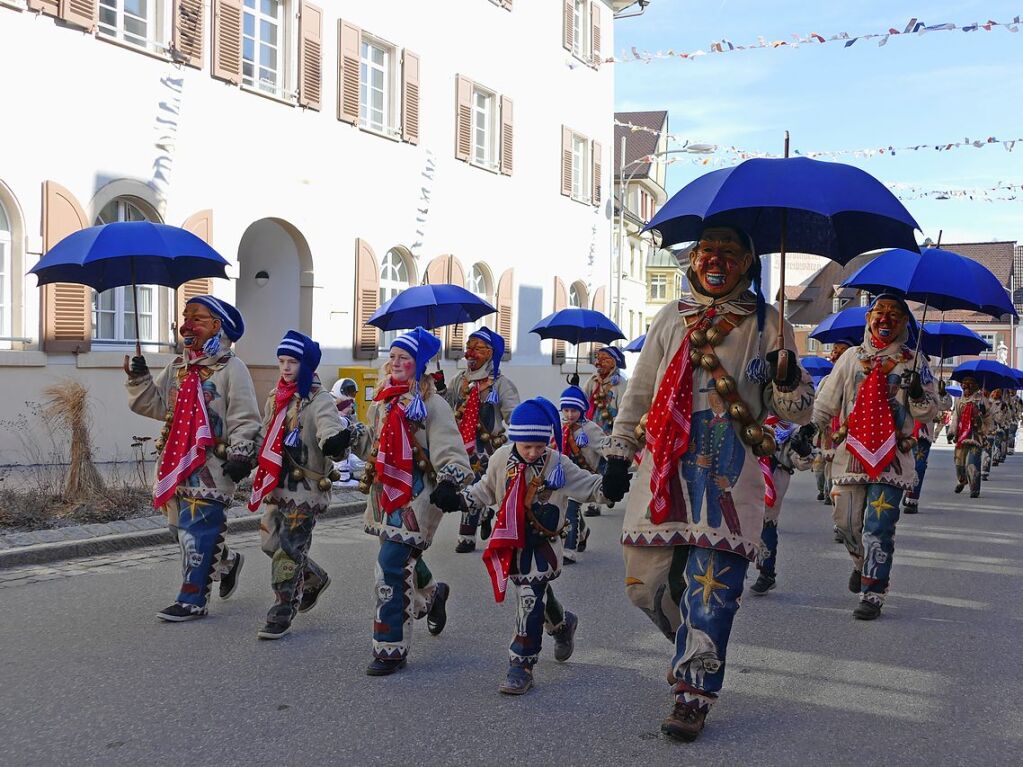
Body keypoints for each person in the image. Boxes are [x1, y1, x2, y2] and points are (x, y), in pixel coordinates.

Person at [600, 225, 814, 742]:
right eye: (705, 252)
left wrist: (786, 379)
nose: (714, 261)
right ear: (693, 260)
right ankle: (690, 647)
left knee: (711, 590)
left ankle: (693, 690)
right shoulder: (670, 317)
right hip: (665, 467)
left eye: (728, 254)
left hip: (731, 467)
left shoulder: (769, 322)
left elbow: (800, 407)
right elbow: (642, 388)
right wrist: (620, 448)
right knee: (643, 585)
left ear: (747, 264)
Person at [126, 295, 259, 622]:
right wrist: (139, 379)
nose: (187, 325)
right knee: (180, 529)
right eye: (186, 317)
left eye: (197, 318)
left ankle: (192, 600)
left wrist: (242, 453)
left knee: (196, 531)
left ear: (217, 326)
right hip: (176, 464)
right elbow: (156, 407)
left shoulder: (232, 369)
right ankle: (225, 563)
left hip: (212, 466)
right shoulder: (178, 368)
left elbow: (245, 417)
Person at [461, 397, 607, 695]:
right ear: (515, 440)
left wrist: (611, 485)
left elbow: (588, 486)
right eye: (527, 446)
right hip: (511, 540)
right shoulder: (501, 457)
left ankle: (521, 665)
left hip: (542, 544)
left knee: (529, 595)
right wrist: (460, 499)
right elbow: (486, 489)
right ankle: (563, 624)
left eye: (539, 447)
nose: (533, 452)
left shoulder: (557, 462)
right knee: (536, 591)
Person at [350, 327, 473, 675]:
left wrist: (450, 479)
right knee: (399, 557)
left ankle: (389, 648)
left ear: (419, 365)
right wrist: (349, 435)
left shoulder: (433, 405)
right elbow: (371, 448)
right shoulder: (383, 402)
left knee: (389, 566)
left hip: (417, 498)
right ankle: (433, 594)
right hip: (383, 496)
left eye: (404, 358)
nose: (396, 363)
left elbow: (451, 449)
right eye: (392, 357)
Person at [813, 294, 938, 621]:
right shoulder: (852, 357)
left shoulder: (914, 361)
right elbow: (826, 402)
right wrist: (808, 430)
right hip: (851, 455)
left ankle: (874, 590)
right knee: (847, 523)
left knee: (879, 525)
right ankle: (860, 562)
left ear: (904, 324)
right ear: (869, 318)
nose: (886, 319)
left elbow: (930, 411)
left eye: (895, 315)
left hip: (894, 457)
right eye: (880, 313)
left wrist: (916, 393)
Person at [248, 331, 351, 639]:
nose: (286, 368)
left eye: (292, 361)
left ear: (305, 364)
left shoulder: (318, 399)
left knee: (289, 551)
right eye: (281, 361)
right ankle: (314, 577)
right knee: (270, 544)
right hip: (276, 485)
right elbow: (265, 434)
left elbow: (329, 428)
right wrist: (246, 454)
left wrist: (334, 442)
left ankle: (281, 611)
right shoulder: (276, 396)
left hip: (305, 488)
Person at [438, 328, 520, 553]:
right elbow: (447, 407)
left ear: (490, 353)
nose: (470, 353)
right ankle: (484, 513)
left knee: (474, 484)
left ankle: (466, 536)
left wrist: (521, 432)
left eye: (477, 348)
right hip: (459, 442)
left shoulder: (500, 384)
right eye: (468, 347)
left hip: (486, 447)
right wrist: (440, 388)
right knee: (464, 483)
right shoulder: (460, 380)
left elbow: (513, 413)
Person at [749, 419, 815, 595]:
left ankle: (766, 573)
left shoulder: (791, 428)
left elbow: (802, 462)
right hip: (749, 474)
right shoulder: (752, 417)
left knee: (767, 521)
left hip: (776, 476)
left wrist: (803, 450)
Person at [558, 385, 606, 564]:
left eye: (574, 410)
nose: (570, 415)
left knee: (571, 509)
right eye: (566, 410)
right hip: (565, 475)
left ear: (582, 409)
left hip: (584, 476)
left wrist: (612, 467)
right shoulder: (561, 425)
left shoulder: (590, 429)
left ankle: (568, 550)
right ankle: (583, 532)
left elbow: (604, 448)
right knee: (568, 508)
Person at [581, 346, 627, 517]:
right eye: (598, 358)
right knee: (592, 464)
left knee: (608, 465)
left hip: (611, 428)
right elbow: (582, 400)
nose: (599, 362)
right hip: (593, 428)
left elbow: (625, 406)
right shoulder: (592, 381)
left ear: (613, 362)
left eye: (604, 359)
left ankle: (609, 492)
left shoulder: (620, 383)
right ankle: (595, 503)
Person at [902, 377, 953, 514]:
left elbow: (946, 405)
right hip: (902, 429)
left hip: (923, 431)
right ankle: (905, 488)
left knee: (919, 464)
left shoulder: (933, 383)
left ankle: (912, 497)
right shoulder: (901, 373)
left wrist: (942, 393)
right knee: (901, 464)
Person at [948, 376, 988, 497]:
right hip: (962, 436)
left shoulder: (981, 400)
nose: (966, 387)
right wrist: (951, 432)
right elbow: (956, 417)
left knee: (973, 462)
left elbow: (989, 418)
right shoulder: (960, 400)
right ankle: (962, 480)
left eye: (969, 385)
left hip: (976, 436)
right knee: (959, 463)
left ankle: (974, 489)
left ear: (974, 386)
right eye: (964, 385)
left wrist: (982, 413)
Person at [329, 378, 362, 486]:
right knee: (343, 445)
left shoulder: (343, 409)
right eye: (349, 391)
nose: (351, 407)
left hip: (334, 454)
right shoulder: (335, 412)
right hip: (332, 453)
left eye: (353, 392)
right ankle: (343, 478)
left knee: (361, 461)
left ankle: (342, 473)